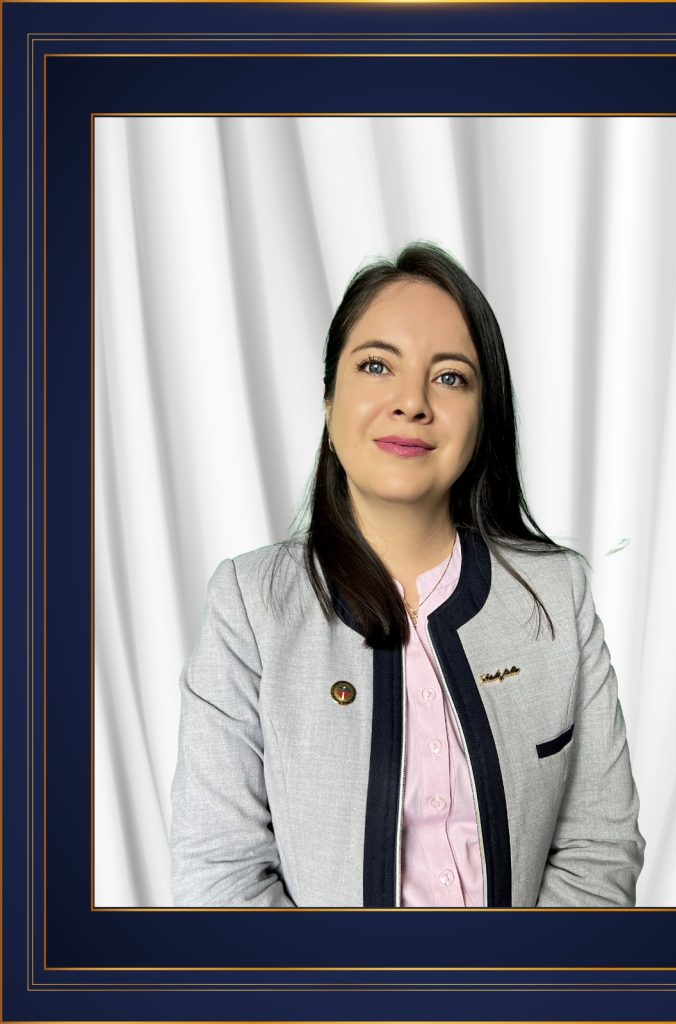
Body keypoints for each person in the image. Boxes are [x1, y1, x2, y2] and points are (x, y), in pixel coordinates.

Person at [169, 241, 645, 908]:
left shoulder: (555, 597)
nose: (411, 403)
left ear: (484, 416)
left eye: (449, 377)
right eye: (376, 366)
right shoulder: (251, 608)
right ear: (329, 401)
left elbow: (600, 848)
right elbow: (218, 875)